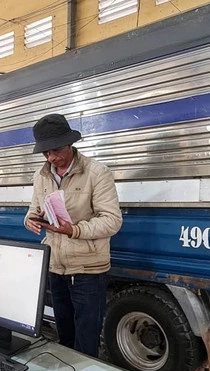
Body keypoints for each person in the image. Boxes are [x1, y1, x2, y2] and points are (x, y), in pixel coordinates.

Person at [24, 114, 122, 357]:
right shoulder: (42, 175)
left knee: (86, 339)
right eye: (46, 153)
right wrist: (30, 220)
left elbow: (112, 221)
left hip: (88, 269)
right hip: (56, 267)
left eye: (56, 150)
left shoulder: (96, 173)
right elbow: (34, 209)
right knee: (65, 334)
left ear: (70, 144)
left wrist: (74, 230)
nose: (52, 158)